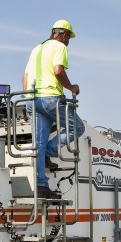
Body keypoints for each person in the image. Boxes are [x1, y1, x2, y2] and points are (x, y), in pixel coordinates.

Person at [23, 19, 85, 198]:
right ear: (63, 35)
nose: (68, 42)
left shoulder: (36, 49)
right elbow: (58, 71)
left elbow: (25, 76)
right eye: (69, 38)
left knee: (38, 144)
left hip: (32, 99)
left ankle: (41, 185)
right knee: (77, 127)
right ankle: (49, 153)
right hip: (50, 99)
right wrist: (72, 87)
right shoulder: (59, 47)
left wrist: (28, 100)